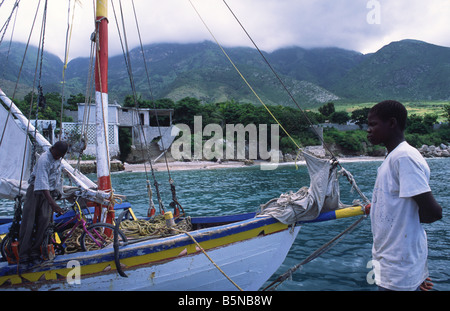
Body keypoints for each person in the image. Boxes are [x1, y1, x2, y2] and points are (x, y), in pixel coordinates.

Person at [367, 100, 442, 291]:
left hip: (399, 271)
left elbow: (433, 212)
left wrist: (414, 273)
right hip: (392, 266)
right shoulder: (392, 157)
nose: (368, 130)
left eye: (373, 124)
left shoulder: (404, 157)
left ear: (392, 123)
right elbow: (402, 204)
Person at [18, 141, 68, 267]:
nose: (58, 157)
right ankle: (24, 255)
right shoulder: (44, 159)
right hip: (36, 192)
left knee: (44, 222)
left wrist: (56, 193)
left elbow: (55, 178)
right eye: (58, 155)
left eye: (61, 156)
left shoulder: (58, 159)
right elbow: (42, 183)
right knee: (29, 222)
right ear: (53, 149)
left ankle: (35, 252)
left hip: (48, 193)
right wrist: (53, 204)